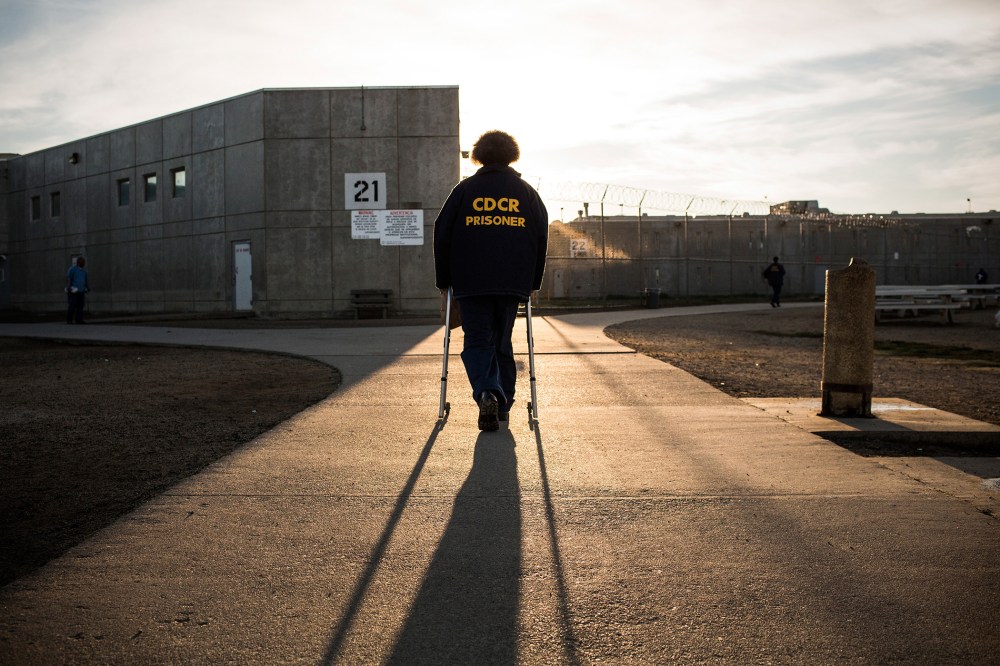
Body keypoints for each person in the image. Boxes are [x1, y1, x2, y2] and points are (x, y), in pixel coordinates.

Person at [433, 130, 548, 431]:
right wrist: (532, 283)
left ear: (478, 155)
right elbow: (541, 237)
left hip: (471, 281)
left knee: (477, 340)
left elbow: (442, 233)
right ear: (512, 154)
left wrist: (444, 281)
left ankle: (488, 392)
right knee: (502, 342)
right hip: (512, 282)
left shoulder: (464, 191)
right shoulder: (526, 193)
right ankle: (503, 405)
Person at [66, 256, 89, 324]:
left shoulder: (84, 271)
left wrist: (87, 287)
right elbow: (69, 278)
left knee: (80, 306)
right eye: (82, 262)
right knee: (72, 305)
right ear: (78, 262)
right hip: (74, 291)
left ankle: (79, 320)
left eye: (84, 262)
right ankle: (69, 320)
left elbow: (85, 280)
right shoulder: (72, 269)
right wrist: (69, 286)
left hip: (81, 291)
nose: (83, 263)